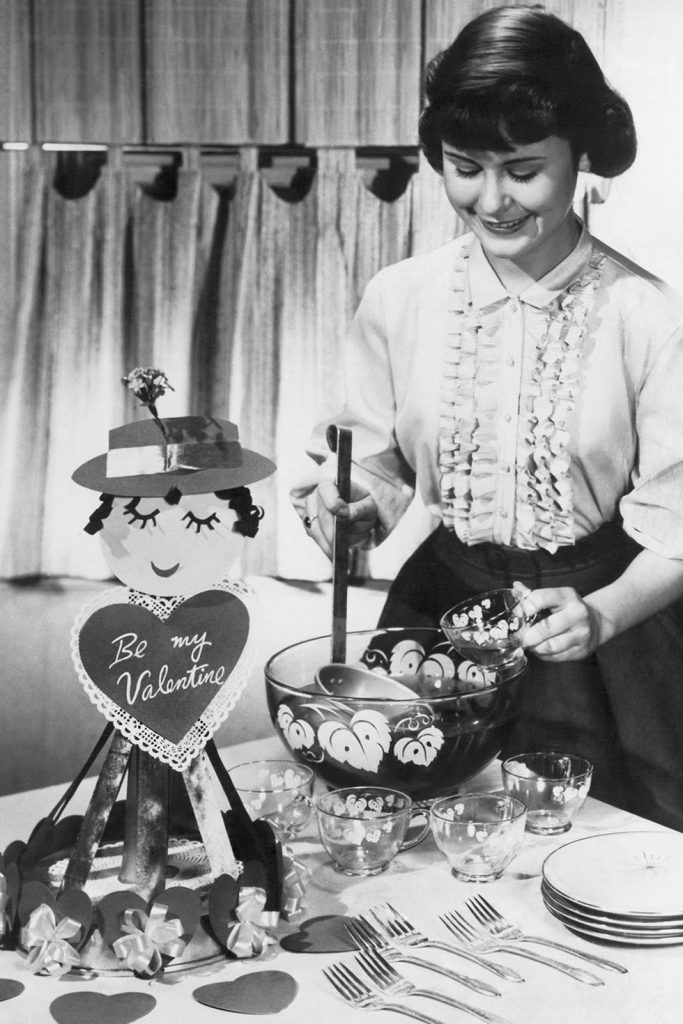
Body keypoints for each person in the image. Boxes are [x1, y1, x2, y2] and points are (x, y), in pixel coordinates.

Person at [291, 5, 683, 831]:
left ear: (581, 157)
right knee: (422, 841)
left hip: (611, 630)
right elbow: (370, 458)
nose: (492, 198)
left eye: (522, 168)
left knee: (608, 850)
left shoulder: (648, 315)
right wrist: (352, 508)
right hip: (440, 611)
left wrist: (604, 612)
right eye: (465, 167)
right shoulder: (397, 298)